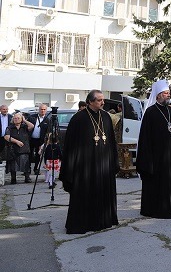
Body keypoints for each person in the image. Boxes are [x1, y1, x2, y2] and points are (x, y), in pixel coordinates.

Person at [60, 90, 119, 234]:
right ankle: (85, 223)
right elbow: (71, 146)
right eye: (99, 100)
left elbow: (111, 141)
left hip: (103, 164)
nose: (103, 102)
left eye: (103, 100)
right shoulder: (78, 119)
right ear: (90, 101)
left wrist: (113, 161)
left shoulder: (105, 117)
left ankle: (104, 220)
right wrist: (71, 166)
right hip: (86, 166)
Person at [136, 80, 171, 219]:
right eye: (165, 93)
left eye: (169, 93)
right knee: (157, 184)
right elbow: (145, 137)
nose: (168, 95)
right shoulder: (150, 112)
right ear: (157, 96)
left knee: (169, 183)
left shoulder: (170, 110)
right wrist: (147, 159)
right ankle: (155, 209)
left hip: (170, 157)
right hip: (156, 158)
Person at [4, 113, 34, 184]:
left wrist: (24, 120)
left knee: (25, 164)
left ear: (21, 119)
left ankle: (27, 177)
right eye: (15, 118)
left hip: (24, 148)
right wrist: (16, 141)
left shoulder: (24, 127)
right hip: (13, 149)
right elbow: (6, 137)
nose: (16, 119)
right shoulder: (10, 127)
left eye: (18, 118)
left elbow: (32, 126)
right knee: (13, 165)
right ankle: (13, 179)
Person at [27, 104, 50, 175]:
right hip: (30, 139)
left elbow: (48, 132)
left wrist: (44, 143)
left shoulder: (47, 120)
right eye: (41, 109)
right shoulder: (32, 117)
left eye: (44, 109)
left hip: (40, 140)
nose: (42, 111)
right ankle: (27, 169)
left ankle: (36, 169)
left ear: (46, 110)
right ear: (38, 110)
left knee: (38, 155)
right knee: (29, 154)